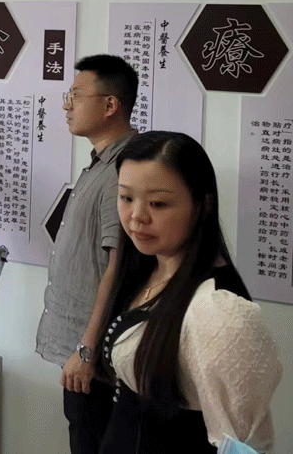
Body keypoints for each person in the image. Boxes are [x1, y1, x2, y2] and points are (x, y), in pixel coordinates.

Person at [97, 131, 282, 453]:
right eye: (126, 198)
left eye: (157, 203)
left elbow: (243, 444)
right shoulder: (144, 268)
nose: (137, 216)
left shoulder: (219, 313)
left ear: (203, 205)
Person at [35, 54, 138, 454]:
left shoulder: (123, 168)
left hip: (95, 361)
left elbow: (118, 263)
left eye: (77, 95)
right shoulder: (102, 163)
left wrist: (86, 350)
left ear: (110, 105)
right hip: (84, 355)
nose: (66, 105)